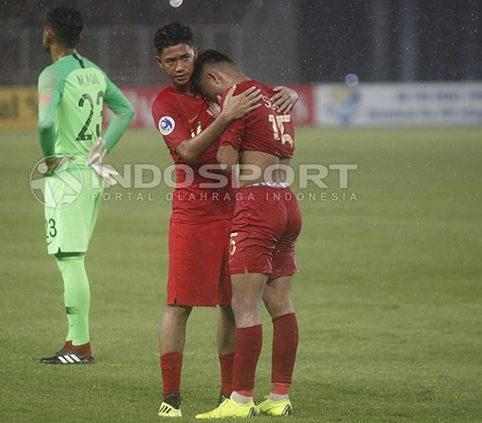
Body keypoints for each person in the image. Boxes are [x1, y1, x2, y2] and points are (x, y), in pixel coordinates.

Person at [151, 23, 299, 417]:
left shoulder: (214, 87)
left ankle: (231, 394)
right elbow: (187, 151)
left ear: (196, 54)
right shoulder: (165, 105)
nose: (180, 67)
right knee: (179, 303)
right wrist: (225, 118)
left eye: (185, 57)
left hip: (238, 208)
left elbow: (251, 93)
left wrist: (289, 95)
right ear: (159, 64)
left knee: (233, 306)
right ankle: (171, 396)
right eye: (171, 61)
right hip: (193, 214)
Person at [192, 50, 301, 419]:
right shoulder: (275, 95)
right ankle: (279, 396)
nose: (214, 103)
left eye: (209, 95)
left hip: (256, 205)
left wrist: (222, 120)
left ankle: (239, 401)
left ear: (215, 80)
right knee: (281, 305)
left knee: (244, 307)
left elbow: (224, 164)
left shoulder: (238, 99)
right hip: (286, 201)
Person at [36, 6, 134, 365]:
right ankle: (75, 342)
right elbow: (124, 111)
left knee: (70, 259)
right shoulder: (93, 71)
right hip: (91, 174)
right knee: (73, 257)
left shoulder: (52, 75)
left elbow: (46, 124)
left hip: (68, 175)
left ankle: (79, 346)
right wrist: (102, 148)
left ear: (49, 34)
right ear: (78, 37)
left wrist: (48, 158)